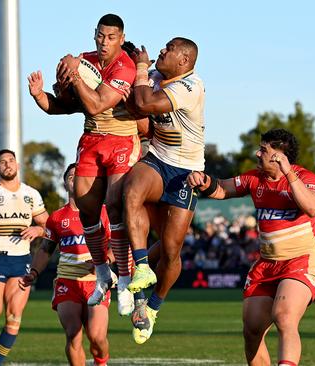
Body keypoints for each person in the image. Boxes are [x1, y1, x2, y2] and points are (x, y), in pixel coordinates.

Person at [27, 13, 139, 316]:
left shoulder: (124, 66)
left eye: (111, 37)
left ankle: (126, 283)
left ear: (121, 37)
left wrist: (75, 76)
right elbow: (65, 107)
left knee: (114, 206)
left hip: (121, 141)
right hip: (91, 139)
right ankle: (103, 275)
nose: (104, 42)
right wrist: (42, 95)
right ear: (94, 35)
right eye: (100, 35)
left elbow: (95, 104)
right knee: (87, 209)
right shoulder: (85, 60)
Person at [187, 129, 315, 366]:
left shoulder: (306, 178)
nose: (257, 153)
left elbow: (313, 208)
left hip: (300, 260)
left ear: (279, 156)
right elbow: (221, 189)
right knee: (251, 331)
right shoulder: (254, 179)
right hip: (266, 264)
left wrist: (289, 174)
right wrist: (203, 181)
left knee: (284, 317)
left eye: (264, 150)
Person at [119, 37, 205, 344]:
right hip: (157, 158)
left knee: (170, 250)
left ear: (183, 60)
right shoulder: (158, 76)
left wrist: (141, 69)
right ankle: (140, 267)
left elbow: (143, 103)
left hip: (185, 171)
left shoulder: (189, 86)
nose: (161, 51)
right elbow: (132, 99)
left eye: (168, 49)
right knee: (131, 191)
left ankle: (153, 306)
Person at [21, 163, 113, 366]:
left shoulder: (103, 212)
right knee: (73, 335)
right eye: (69, 175)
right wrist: (33, 272)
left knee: (97, 337)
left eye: (77, 174)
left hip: (96, 281)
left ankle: (101, 361)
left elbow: (117, 245)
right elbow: (45, 249)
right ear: (65, 184)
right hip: (67, 281)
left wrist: (104, 260)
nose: (74, 177)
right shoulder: (57, 217)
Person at [0, 149, 48, 366]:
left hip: (21, 260)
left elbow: (49, 226)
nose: (7, 164)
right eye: (2, 162)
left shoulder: (31, 194)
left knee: (14, 316)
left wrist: (38, 231)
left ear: (18, 165)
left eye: (11, 160)